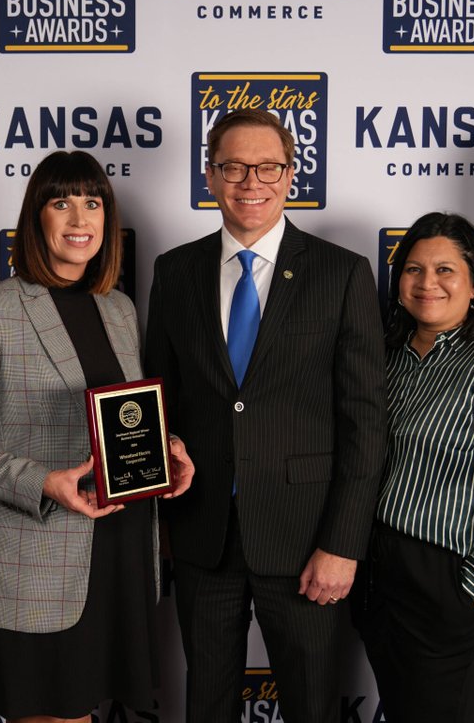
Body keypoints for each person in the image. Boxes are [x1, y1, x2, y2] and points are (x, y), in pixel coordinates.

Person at [0, 150, 194, 723]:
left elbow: (123, 416)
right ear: (36, 217)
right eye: (62, 202)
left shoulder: (118, 309)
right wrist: (43, 482)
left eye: (92, 203)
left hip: (118, 551)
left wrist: (167, 449)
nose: (80, 219)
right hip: (37, 557)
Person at [145, 108, 387, 723]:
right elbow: (158, 400)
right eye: (233, 167)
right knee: (207, 706)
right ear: (209, 175)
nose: (250, 182)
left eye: (267, 167)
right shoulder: (174, 271)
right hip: (202, 536)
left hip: (306, 540)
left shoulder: (341, 272)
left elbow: (364, 423)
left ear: (290, 174)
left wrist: (342, 544)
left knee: (312, 707)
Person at [351, 212, 474, 722]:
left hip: (449, 574)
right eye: (414, 269)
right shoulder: (386, 360)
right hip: (379, 571)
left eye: (445, 270)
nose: (427, 283)